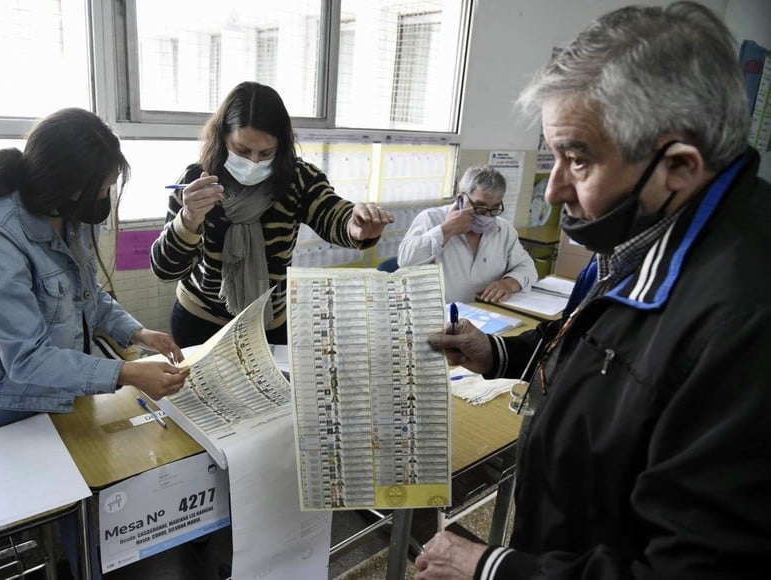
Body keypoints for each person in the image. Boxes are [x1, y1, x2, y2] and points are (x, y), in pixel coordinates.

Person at [418, 2, 771, 579]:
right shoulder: (641, 237)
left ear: (678, 166)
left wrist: (496, 570)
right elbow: (607, 354)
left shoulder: (743, 319)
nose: (554, 189)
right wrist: (498, 352)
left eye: (576, 160)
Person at [0, 108, 189, 438]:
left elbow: (85, 294)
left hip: (57, 391)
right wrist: (128, 372)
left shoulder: (71, 214)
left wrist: (138, 333)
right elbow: (27, 358)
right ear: (64, 185)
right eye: (102, 189)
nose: (105, 197)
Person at [150, 81, 394, 347]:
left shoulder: (298, 178)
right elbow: (165, 269)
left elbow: (330, 210)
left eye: (266, 153)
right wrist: (189, 220)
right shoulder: (196, 181)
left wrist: (355, 226)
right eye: (242, 151)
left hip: (269, 323)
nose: (254, 162)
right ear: (222, 138)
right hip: (201, 322)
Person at [397, 166, 537, 304]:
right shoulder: (432, 218)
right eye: (480, 207)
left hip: (488, 314)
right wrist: (446, 229)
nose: (487, 216)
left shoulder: (504, 229)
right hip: (441, 317)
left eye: (494, 208)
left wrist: (509, 283)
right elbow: (405, 260)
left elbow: (527, 267)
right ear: (461, 199)